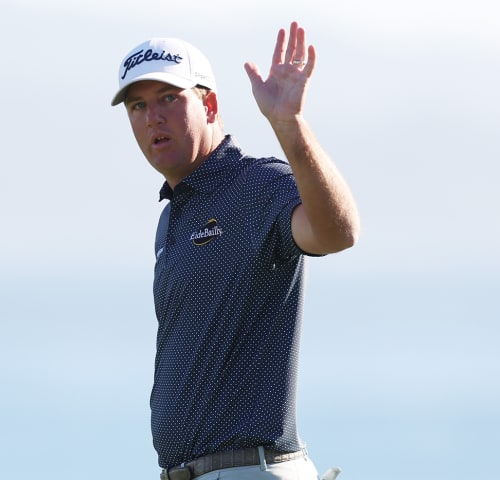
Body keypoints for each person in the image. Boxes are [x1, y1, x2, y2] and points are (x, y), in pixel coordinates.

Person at [110, 21, 360, 480]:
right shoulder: (173, 218)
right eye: (138, 105)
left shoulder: (258, 184)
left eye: (169, 98)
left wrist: (290, 126)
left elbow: (336, 234)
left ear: (209, 105)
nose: (152, 117)